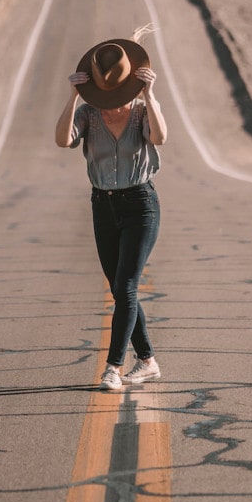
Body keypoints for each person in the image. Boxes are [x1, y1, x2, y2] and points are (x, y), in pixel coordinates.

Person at [55, 31, 167, 390]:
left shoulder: (140, 111)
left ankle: (113, 368)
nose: (106, 100)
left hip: (140, 205)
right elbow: (62, 139)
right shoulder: (87, 113)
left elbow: (161, 137)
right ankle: (147, 361)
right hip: (102, 205)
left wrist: (150, 96)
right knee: (121, 290)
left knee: (127, 285)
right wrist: (73, 96)